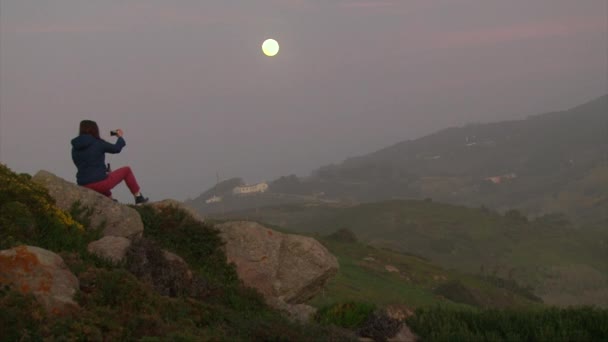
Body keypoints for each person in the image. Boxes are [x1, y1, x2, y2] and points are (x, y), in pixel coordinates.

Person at [71, 120, 149, 204]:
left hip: (83, 185)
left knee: (102, 182)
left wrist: (103, 171)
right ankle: (138, 197)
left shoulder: (74, 148)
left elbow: (85, 165)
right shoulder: (98, 142)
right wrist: (120, 137)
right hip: (99, 184)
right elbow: (116, 148)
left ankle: (111, 201)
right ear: (95, 130)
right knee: (126, 170)